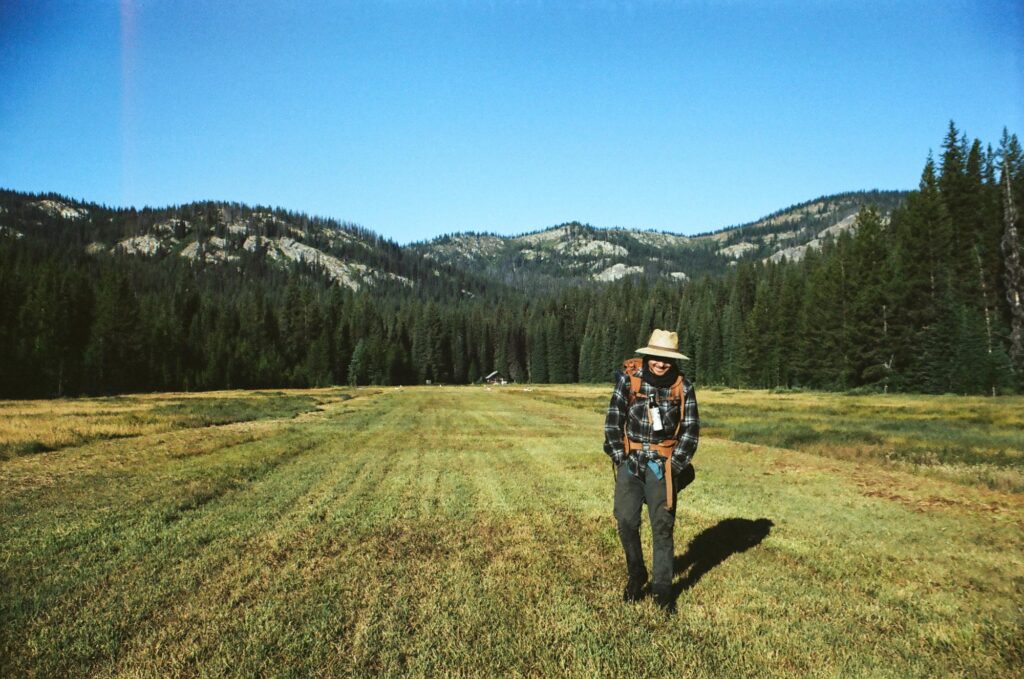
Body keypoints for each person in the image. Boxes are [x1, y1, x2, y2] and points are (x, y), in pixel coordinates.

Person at [603, 329, 700, 612]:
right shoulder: (628, 380)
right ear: (648, 356)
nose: (660, 363)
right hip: (630, 462)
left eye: (666, 359)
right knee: (625, 521)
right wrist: (620, 457)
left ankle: (662, 591)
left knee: (662, 527)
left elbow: (691, 432)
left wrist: (675, 465)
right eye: (656, 357)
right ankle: (636, 574)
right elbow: (613, 420)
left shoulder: (684, 388)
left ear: (674, 361)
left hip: (663, 465)